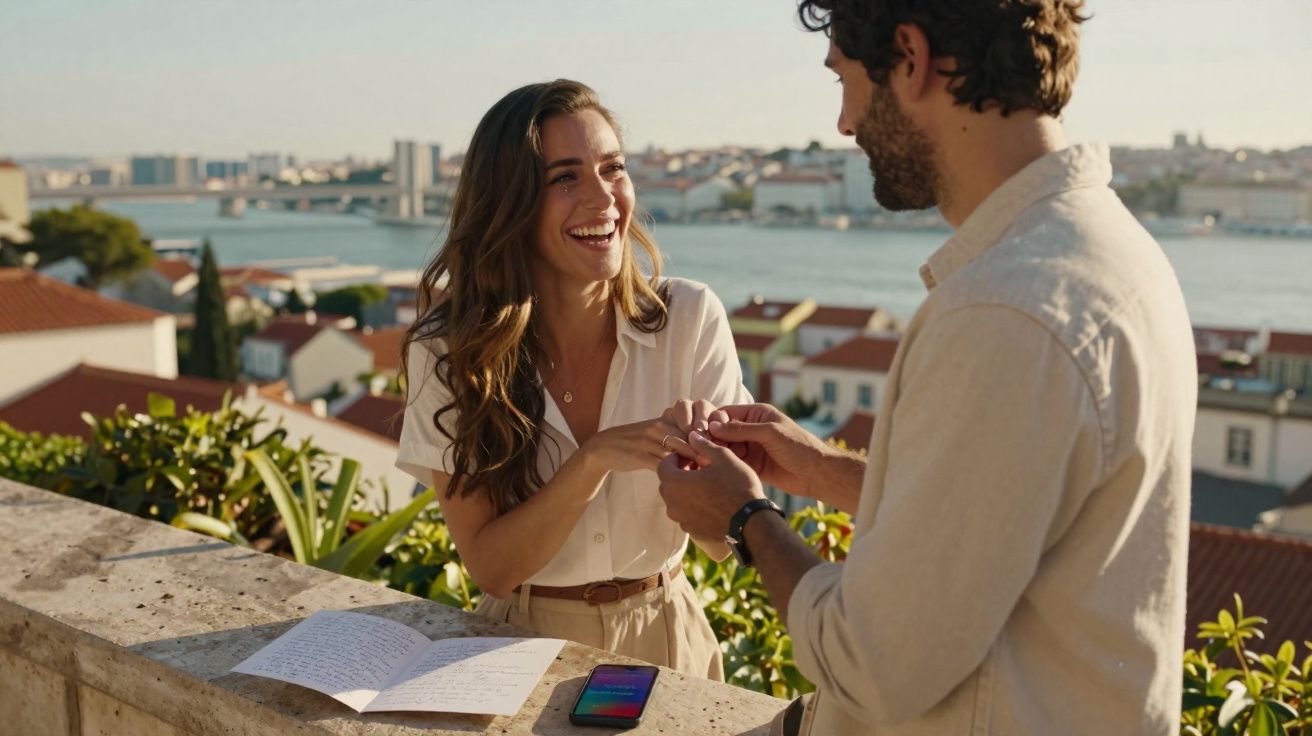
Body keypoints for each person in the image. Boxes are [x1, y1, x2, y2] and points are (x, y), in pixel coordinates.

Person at [656, 1, 1197, 733]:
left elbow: (871, 661)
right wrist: (820, 470)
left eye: (844, 80)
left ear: (910, 58)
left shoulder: (1006, 312)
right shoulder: (1109, 253)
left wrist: (746, 519)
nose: (845, 124)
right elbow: (1003, 520)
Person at [396, 79, 748, 680]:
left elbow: (725, 545)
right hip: (517, 648)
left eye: (613, 168)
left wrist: (713, 487)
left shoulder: (690, 318)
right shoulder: (446, 350)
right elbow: (492, 566)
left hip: (667, 636)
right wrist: (593, 461)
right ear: (508, 204)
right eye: (565, 177)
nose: (604, 199)